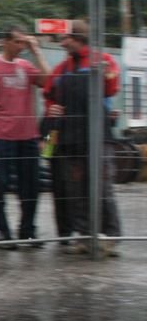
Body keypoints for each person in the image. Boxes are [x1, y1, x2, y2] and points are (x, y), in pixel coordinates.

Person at [43, 20, 122, 256]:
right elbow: (48, 94)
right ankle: (84, 237)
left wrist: (105, 75)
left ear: (77, 38)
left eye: (65, 38)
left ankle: (110, 237)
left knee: (103, 189)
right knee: (77, 190)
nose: (62, 42)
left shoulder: (103, 61)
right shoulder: (61, 69)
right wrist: (52, 109)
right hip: (70, 140)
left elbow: (111, 89)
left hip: (99, 138)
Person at [0, 27, 51, 249]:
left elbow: (47, 81)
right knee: (1, 184)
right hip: (2, 135)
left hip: (27, 134)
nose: (21, 46)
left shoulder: (26, 66)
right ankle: (3, 233)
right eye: (17, 42)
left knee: (31, 186)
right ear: (6, 41)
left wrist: (37, 51)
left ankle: (28, 231)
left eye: (23, 43)